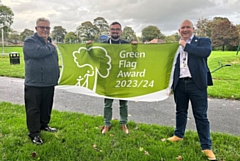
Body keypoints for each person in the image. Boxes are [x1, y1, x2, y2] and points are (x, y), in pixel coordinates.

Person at [167, 20, 216, 160]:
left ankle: (206, 146)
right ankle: (178, 135)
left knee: (201, 115)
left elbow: (205, 52)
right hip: (180, 84)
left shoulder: (203, 41)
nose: (185, 29)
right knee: (180, 111)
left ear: (193, 29)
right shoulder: (175, 46)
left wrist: (186, 46)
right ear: (179, 30)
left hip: (197, 84)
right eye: (182, 27)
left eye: (188, 27)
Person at [23, 17, 60, 145]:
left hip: (49, 82)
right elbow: (38, 53)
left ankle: (44, 125)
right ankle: (34, 134)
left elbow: (54, 60)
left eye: (47, 28)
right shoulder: (30, 41)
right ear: (36, 28)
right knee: (33, 109)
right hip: (34, 83)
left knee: (46, 107)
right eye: (42, 27)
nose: (45, 30)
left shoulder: (49, 42)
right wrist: (52, 46)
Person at [101, 22, 137, 134]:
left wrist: (134, 49)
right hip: (109, 78)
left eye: (117, 29)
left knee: (123, 103)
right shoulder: (103, 45)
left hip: (123, 77)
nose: (115, 31)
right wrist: (88, 46)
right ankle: (107, 124)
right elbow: (95, 57)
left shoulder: (127, 44)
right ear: (109, 31)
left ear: (121, 31)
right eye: (113, 29)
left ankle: (123, 123)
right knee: (108, 103)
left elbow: (134, 59)